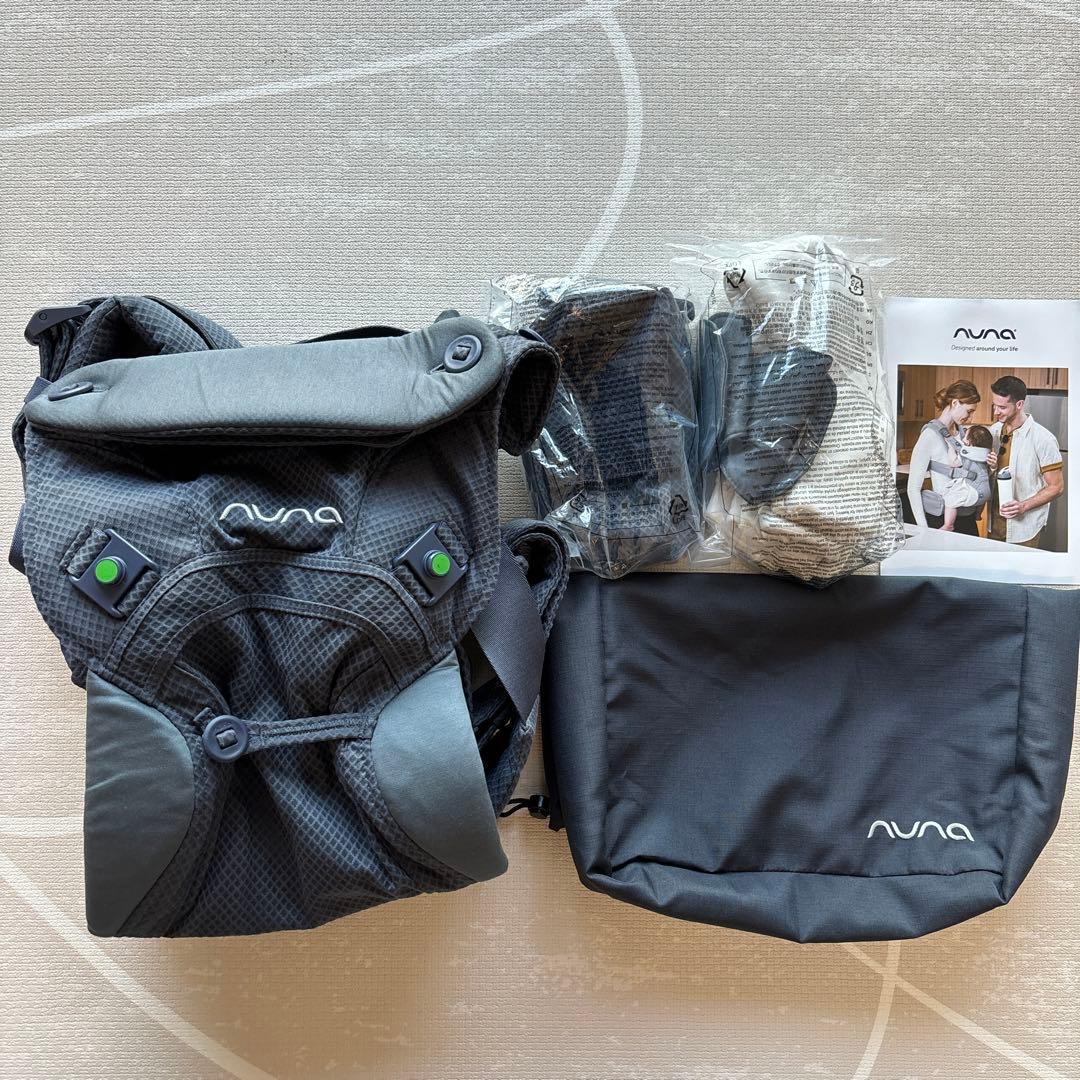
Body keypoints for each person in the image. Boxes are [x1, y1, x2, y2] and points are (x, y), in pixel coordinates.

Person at [987, 375, 1064, 548]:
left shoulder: (1043, 438)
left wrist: (1023, 506)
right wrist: (990, 467)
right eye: (994, 406)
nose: (996, 412)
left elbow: (1057, 487)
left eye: (1002, 407)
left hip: (1024, 528)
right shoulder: (993, 431)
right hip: (994, 524)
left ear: (1019, 404)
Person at [907, 379, 982, 534]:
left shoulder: (965, 434)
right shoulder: (929, 436)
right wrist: (923, 530)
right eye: (969, 411)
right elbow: (913, 488)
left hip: (968, 519)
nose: (970, 417)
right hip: (943, 520)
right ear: (955, 403)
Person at [941, 424, 993, 532]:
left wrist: (951, 447)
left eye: (965, 436)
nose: (963, 437)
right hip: (986, 491)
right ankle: (978, 515)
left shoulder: (967, 453)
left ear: (970, 443)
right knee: (980, 501)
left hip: (974, 490)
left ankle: (948, 525)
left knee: (950, 499)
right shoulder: (985, 454)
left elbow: (953, 463)